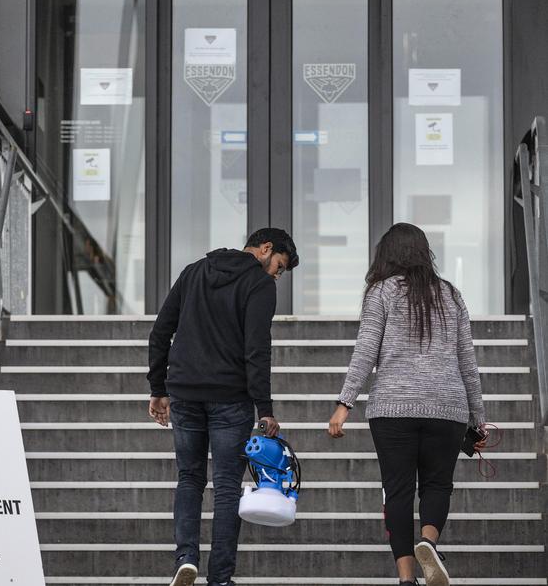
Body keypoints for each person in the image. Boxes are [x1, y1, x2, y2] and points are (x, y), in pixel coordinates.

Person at [328, 223, 488, 586]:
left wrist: (344, 403)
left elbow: (366, 350)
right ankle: (428, 541)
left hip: (393, 408)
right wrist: (479, 420)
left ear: (387, 254)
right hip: (446, 407)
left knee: (397, 490)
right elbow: (467, 361)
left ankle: (405, 579)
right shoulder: (450, 294)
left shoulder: (381, 291)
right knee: (437, 485)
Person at [147, 227, 299, 586]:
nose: (276, 275)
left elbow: (160, 331)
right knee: (228, 485)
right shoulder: (259, 286)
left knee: (189, 478)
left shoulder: (194, 271)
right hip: (230, 397)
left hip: (184, 391)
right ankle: (220, 577)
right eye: (278, 266)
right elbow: (257, 350)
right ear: (266, 248)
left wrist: (158, 388)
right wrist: (265, 408)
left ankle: (185, 558)